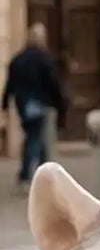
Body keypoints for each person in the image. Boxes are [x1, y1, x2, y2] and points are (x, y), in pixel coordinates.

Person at [3, 24, 65, 187]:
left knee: (36, 136)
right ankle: (27, 174)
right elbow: (53, 83)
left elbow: (10, 84)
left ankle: (43, 174)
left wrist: (5, 104)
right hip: (40, 103)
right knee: (35, 138)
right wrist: (60, 103)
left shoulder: (17, 59)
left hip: (23, 105)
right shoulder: (44, 59)